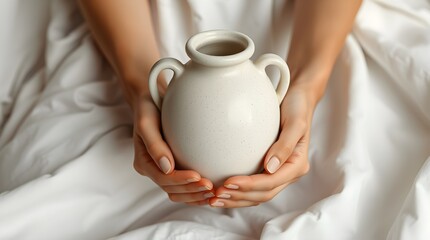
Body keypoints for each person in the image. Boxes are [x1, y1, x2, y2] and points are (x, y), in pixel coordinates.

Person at [78, 0, 362, 208]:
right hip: (130, 34)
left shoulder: (263, 75)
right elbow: (147, 79)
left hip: (317, 33)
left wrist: (306, 86)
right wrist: (140, 88)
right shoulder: (175, 77)